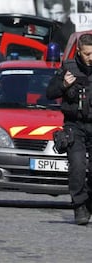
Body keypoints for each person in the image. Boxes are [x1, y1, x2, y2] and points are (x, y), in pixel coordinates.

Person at [46, 33, 92, 225]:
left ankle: (88, 201)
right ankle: (79, 205)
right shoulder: (68, 68)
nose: (91, 58)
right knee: (78, 167)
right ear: (79, 52)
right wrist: (64, 85)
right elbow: (50, 92)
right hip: (75, 125)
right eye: (88, 54)